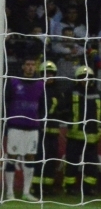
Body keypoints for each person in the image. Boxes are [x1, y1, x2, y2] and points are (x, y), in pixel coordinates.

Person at [63, 65, 101, 200]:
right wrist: (68, 118)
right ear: (77, 79)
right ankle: (69, 187)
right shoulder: (71, 92)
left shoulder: (98, 93)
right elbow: (62, 107)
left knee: (91, 164)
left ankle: (89, 189)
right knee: (71, 162)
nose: (86, 80)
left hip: (92, 136)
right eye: (83, 78)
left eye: (88, 78)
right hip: (74, 135)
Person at [4, 59, 46, 201]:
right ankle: (10, 192)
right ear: (23, 67)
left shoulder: (40, 84)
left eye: (33, 65)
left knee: (30, 156)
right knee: (12, 157)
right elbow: (6, 101)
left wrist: (40, 122)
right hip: (15, 125)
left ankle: (26, 192)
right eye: (28, 65)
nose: (30, 67)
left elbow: (42, 106)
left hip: (32, 126)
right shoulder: (13, 82)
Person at [31, 61, 62, 199]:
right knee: (39, 158)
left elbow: (63, 109)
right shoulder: (37, 89)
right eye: (46, 74)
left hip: (53, 131)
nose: (49, 76)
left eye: (51, 74)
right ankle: (35, 187)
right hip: (39, 130)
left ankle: (48, 187)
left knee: (51, 159)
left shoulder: (58, 91)